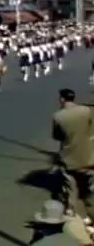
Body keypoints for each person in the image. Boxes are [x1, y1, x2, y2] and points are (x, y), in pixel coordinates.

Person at [52, 88, 94, 222]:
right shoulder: (86, 111)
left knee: (70, 188)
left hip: (69, 157)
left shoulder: (58, 116)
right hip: (88, 155)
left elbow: (57, 136)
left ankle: (74, 214)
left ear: (62, 99)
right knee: (90, 187)